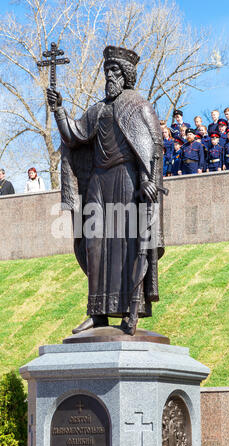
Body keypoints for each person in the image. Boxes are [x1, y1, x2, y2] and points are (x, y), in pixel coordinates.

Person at [47, 45, 165, 336]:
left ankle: (131, 309)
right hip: (99, 182)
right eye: (106, 72)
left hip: (127, 180)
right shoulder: (98, 109)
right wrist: (59, 109)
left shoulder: (139, 105)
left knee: (128, 245)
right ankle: (97, 313)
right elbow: (75, 135)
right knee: (94, 244)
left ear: (126, 76)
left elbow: (154, 146)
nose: (109, 77)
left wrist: (150, 179)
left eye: (115, 72)